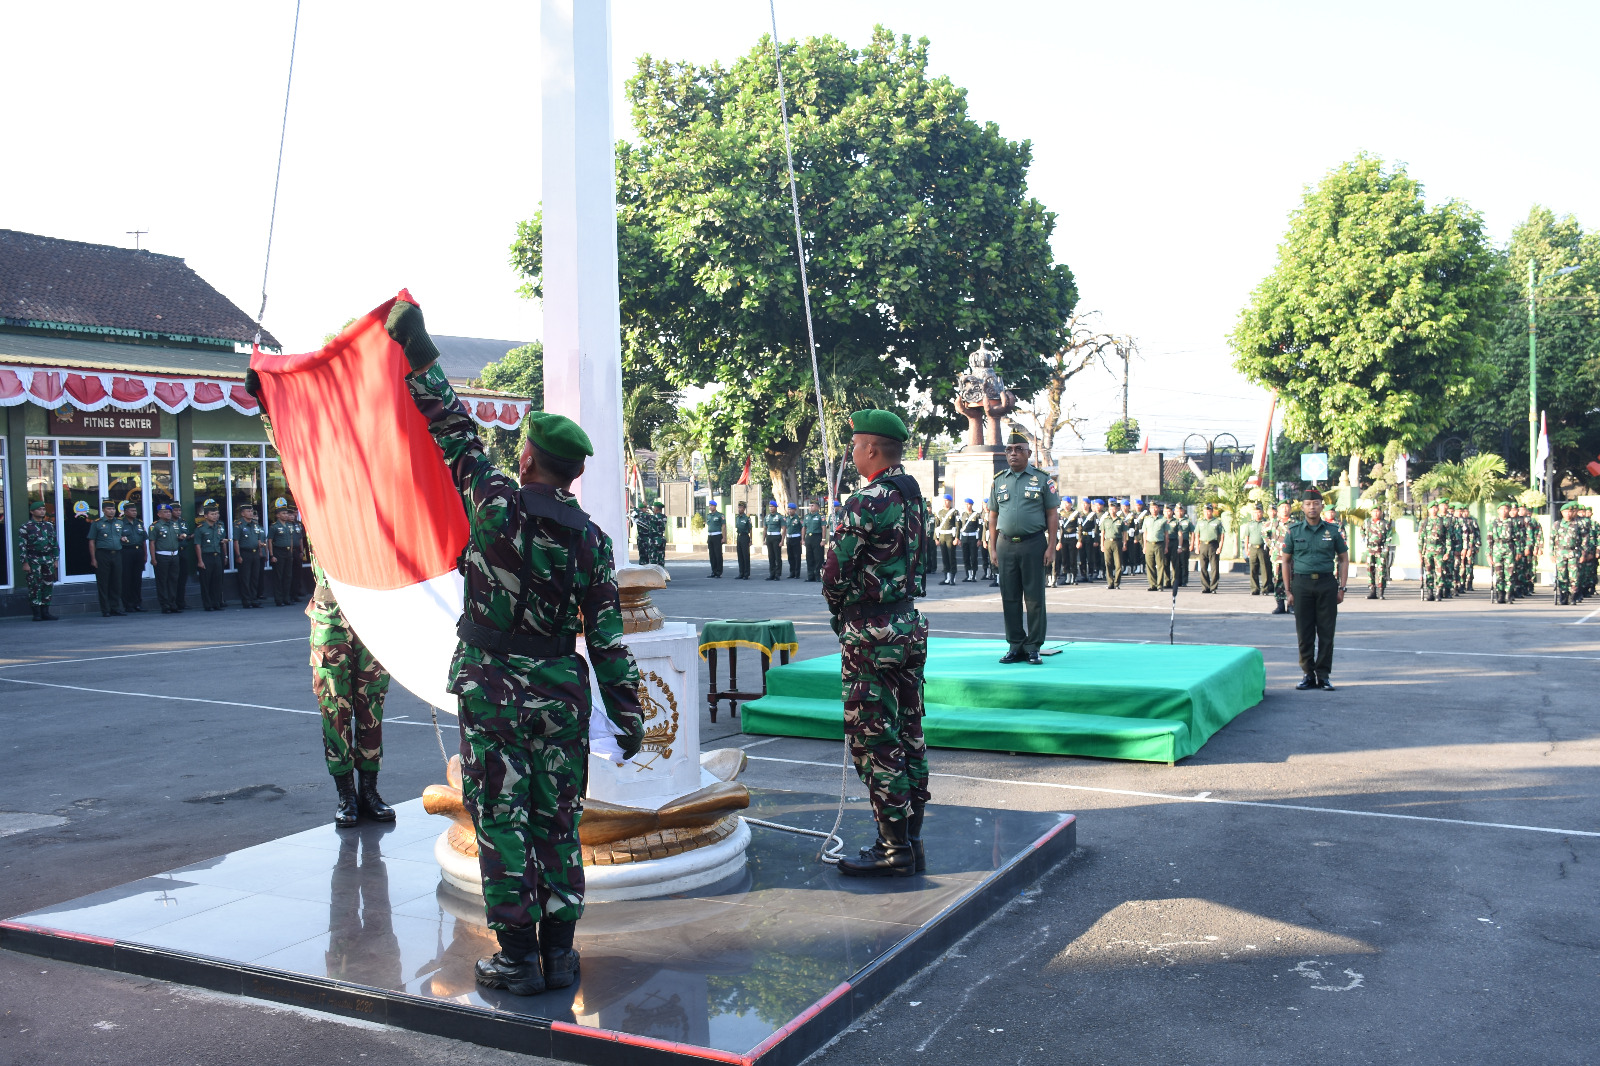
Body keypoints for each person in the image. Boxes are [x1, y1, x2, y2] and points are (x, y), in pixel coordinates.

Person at [387, 297, 645, 996]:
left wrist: (421, 354)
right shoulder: (592, 541)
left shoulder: (495, 503)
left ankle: (516, 961)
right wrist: (629, 715)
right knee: (557, 821)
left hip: (494, 687)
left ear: (527, 456)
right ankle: (561, 956)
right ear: (572, 473)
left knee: (502, 821)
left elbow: (454, 433)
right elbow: (610, 638)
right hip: (561, 690)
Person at [821, 409, 929, 878]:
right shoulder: (912, 495)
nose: (852, 453)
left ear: (871, 450)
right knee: (909, 732)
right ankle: (912, 838)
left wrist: (838, 610)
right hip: (907, 623)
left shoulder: (867, 500)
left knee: (873, 740)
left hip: (870, 631)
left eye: (856, 446)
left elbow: (835, 572)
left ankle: (893, 848)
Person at [309, 556, 395, 827]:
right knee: (335, 708)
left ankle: (369, 792)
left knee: (371, 706)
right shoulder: (321, 512)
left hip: (373, 608)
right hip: (331, 612)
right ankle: (346, 795)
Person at [987, 438, 1058, 664]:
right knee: (1010, 597)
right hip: (1005, 545)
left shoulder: (1043, 480)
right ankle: (1015, 645)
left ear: (1028, 453)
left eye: (1019, 450)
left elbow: (1052, 515)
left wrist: (1051, 547)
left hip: (1033, 543)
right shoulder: (999, 481)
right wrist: (992, 547)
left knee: (1035, 598)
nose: (1013, 454)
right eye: (1009, 450)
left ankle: (1034, 646)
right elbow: (992, 516)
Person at [1282, 489, 1348, 691]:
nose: (1312, 507)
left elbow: (1344, 559)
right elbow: (1286, 561)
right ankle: (1308, 674)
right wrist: (1288, 591)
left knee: (1327, 632)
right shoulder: (1294, 531)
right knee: (1305, 632)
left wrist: (1342, 588)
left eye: (1316, 503)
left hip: (1326, 584)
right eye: (1308, 503)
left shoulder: (1333, 531)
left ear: (1321, 506)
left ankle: (1324, 675)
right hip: (1301, 585)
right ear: (1302, 507)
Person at [19, 500, 60, 621]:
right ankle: (36, 613)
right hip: (33, 559)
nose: (42, 511)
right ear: (32, 511)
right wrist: (25, 562)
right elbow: (22, 546)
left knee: (48, 584)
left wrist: (55, 559)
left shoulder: (49, 525)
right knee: (34, 585)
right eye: (39, 509)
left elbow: (54, 543)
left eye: (43, 509)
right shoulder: (26, 527)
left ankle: (45, 611)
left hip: (47, 558)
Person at [87, 499, 128, 616]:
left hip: (117, 554)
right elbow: (91, 542)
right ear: (103, 510)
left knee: (116, 582)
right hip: (103, 554)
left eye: (113, 509)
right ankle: (105, 609)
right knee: (103, 582)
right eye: (109, 509)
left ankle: (115, 607)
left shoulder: (119, 522)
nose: (112, 511)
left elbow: (121, 536)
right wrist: (93, 559)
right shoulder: (97, 523)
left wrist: (123, 539)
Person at [148, 501, 185, 613]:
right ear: (159, 514)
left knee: (173, 580)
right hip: (162, 556)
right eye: (165, 512)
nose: (168, 514)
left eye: (169, 512)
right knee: (162, 581)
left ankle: (172, 603)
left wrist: (181, 537)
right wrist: (153, 558)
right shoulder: (155, 526)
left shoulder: (174, 524)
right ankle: (165, 605)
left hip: (174, 555)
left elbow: (176, 537)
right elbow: (152, 543)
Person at [194, 501, 227, 611]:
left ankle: (216, 602)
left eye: (216, 514)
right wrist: (200, 561)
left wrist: (225, 556)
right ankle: (208, 604)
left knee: (217, 581)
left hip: (217, 555)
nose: (215, 516)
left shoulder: (218, 527)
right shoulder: (201, 528)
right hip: (206, 556)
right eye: (212, 514)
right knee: (206, 582)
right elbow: (197, 545)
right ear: (206, 515)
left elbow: (221, 542)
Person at [234, 504, 267, 608]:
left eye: (251, 511)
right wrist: (238, 555)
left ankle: (254, 598)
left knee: (254, 577)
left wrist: (261, 548)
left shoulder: (255, 525)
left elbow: (258, 539)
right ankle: (246, 600)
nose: (251, 513)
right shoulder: (239, 525)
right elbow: (236, 542)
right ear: (242, 513)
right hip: (245, 553)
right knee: (245, 578)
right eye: (248, 511)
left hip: (255, 553)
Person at [270, 501, 300, 606]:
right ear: (278, 515)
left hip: (288, 552)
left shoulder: (289, 526)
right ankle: (279, 599)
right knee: (279, 576)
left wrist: (291, 552)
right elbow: (270, 541)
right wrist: (272, 555)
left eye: (286, 513)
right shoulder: (274, 526)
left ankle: (286, 598)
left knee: (288, 576)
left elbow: (291, 539)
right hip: (278, 551)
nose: (286, 515)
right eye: (283, 513)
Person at [119, 501, 147, 612]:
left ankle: (137, 603)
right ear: (125, 512)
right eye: (132, 510)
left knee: (137, 579)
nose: (134, 512)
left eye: (135, 510)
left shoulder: (139, 523)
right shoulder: (120, 523)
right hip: (126, 552)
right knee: (126, 579)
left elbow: (144, 540)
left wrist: (145, 554)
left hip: (138, 551)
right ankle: (128, 604)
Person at [1267, 501, 1293, 615]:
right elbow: (1264, 534)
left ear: (1290, 509)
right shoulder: (1273, 524)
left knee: (1291, 580)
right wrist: (1271, 546)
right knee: (1277, 580)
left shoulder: (1295, 523)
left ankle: (1291, 605)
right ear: (1278, 510)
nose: (1285, 509)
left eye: (1287, 507)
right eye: (1282, 507)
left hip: (1291, 556)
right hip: (1277, 556)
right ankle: (1280, 605)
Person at [1363, 505, 1394, 599]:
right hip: (1370, 549)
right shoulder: (1367, 522)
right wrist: (1363, 539)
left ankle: (1381, 591)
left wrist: (1386, 549)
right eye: (1374, 511)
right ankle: (1372, 590)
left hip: (1380, 549)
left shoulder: (1385, 523)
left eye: (1377, 511)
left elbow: (1389, 537)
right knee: (1370, 570)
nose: (1376, 513)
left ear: (1380, 513)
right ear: (1371, 513)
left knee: (1381, 571)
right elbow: (1362, 531)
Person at [1488, 503, 1515, 604]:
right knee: (1499, 574)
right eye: (1502, 509)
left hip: (1509, 549)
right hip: (1497, 550)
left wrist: (1519, 552)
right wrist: (1488, 554)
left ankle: (1509, 594)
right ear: (1498, 510)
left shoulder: (1512, 522)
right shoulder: (1493, 523)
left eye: (1506, 509)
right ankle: (1500, 595)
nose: (1504, 511)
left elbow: (1518, 538)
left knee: (1510, 573)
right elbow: (1489, 539)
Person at [1194, 503, 1224, 593]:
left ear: (1212, 511)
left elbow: (1221, 535)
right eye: (1205, 511)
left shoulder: (1217, 522)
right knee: (1203, 567)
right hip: (1203, 545)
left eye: (1209, 511)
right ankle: (1205, 587)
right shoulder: (1200, 522)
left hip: (1213, 545)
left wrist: (1220, 547)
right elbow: (1197, 535)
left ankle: (1213, 587)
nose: (1207, 513)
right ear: (1203, 512)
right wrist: (1197, 546)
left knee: (1214, 568)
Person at [1141, 503, 1170, 592]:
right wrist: (1144, 546)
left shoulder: (1163, 520)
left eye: (1155, 508)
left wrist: (1166, 547)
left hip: (1159, 544)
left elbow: (1166, 535)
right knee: (1150, 565)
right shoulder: (1146, 520)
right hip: (1149, 544)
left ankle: (1159, 585)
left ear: (1158, 509)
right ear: (1149, 509)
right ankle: (1152, 584)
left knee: (1160, 565)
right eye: (1152, 508)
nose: (1154, 510)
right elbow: (1144, 534)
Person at [1099, 501, 1127, 589]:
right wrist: (1102, 545)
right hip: (1107, 542)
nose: (1112, 510)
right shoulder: (1105, 520)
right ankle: (1110, 582)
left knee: (1118, 564)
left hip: (1117, 542)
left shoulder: (1120, 520)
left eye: (1114, 509)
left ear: (1117, 509)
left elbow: (1124, 533)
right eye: (1110, 509)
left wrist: (1124, 543)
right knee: (1108, 563)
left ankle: (1117, 583)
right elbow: (1102, 533)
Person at [935, 494, 958, 586]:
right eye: (944, 500)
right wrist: (936, 538)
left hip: (950, 537)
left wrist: (956, 538)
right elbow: (937, 526)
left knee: (951, 557)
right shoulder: (940, 512)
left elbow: (958, 526)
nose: (945, 502)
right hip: (942, 537)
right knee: (944, 558)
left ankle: (952, 578)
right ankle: (946, 578)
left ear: (950, 501)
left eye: (947, 501)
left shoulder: (954, 512)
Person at [1170, 504, 1194, 588]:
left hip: (1184, 543)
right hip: (1174, 542)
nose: (1179, 512)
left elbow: (1193, 532)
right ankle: (1176, 580)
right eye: (1177, 511)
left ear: (1183, 511)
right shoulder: (1172, 521)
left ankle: (1184, 580)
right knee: (1175, 562)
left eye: (1180, 510)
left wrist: (1192, 544)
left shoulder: (1187, 521)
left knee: (1183, 562)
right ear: (1174, 511)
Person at [959, 498, 982, 582]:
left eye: (969, 504)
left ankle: (974, 575)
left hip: (973, 538)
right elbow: (960, 527)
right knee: (966, 557)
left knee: (974, 557)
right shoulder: (963, 514)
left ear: (972, 505)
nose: (967, 506)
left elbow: (980, 527)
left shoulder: (977, 515)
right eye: (966, 504)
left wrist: (979, 539)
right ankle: (968, 575)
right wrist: (960, 539)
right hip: (965, 538)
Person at [804, 499, 826, 581]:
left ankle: (818, 576)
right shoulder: (807, 516)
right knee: (809, 557)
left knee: (818, 558)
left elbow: (823, 528)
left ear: (817, 507)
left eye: (812, 505)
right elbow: (804, 527)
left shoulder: (821, 516)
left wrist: (823, 539)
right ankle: (810, 576)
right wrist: (803, 539)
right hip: (809, 538)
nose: (810, 507)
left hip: (817, 537)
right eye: (810, 505)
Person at [763, 500, 785, 580]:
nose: (771, 508)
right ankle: (771, 574)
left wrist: (782, 540)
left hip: (776, 537)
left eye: (772, 507)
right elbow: (765, 528)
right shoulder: (767, 517)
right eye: (770, 507)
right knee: (771, 556)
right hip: (769, 537)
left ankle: (777, 574)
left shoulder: (780, 517)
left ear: (776, 508)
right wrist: (764, 539)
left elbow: (783, 529)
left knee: (777, 556)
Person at [704, 499, 726, 578]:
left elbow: (723, 526)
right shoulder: (708, 516)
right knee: (712, 555)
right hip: (710, 536)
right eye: (709, 505)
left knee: (718, 554)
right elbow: (709, 526)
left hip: (717, 536)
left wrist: (724, 537)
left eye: (712, 505)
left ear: (715, 506)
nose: (710, 507)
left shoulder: (720, 515)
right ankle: (713, 571)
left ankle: (719, 571)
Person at [734, 500, 753, 579]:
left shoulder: (747, 518)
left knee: (745, 556)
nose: (739, 509)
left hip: (745, 537)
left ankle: (746, 573)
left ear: (744, 508)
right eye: (739, 507)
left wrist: (751, 540)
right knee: (740, 555)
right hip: (739, 537)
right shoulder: (737, 518)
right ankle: (741, 573)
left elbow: (750, 529)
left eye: (741, 507)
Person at [785, 502, 804, 578]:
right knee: (790, 556)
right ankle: (792, 572)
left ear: (795, 510)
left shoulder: (798, 518)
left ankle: (797, 573)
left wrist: (802, 539)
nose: (790, 511)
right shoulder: (786, 518)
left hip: (796, 538)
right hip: (789, 538)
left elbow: (802, 528)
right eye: (789, 509)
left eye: (791, 509)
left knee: (797, 556)